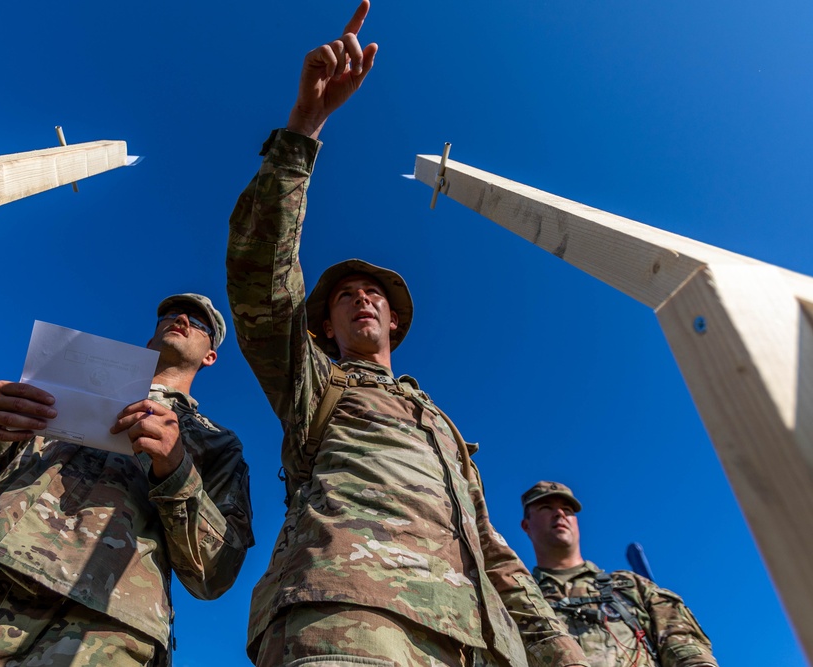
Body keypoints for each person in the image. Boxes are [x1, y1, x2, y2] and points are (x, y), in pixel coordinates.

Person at [225, 3, 587, 665]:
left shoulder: (440, 424)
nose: (362, 300)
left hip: (477, 645)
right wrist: (305, 126)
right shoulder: (316, 384)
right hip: (352, 618)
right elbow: (261, 288)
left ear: (395, 320)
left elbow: (493, 547)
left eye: (374, 296)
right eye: (343, 297)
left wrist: (559, 648)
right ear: (324, 325)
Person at [0, 293, 254, 667]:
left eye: (197, 323)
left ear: (210, 356)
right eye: (172, 314)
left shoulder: (216, 443)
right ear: (150, 339)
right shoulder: (62, 384)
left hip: (103, 630)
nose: (181, 319)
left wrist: (177, 468)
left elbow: (213, 575)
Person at [520, 481, 718, 667]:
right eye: (546, 507)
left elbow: (683, 642)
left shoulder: (628, 585)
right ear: (526, 525)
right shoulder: (520, 599)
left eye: (568, 510)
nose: (560, 514)